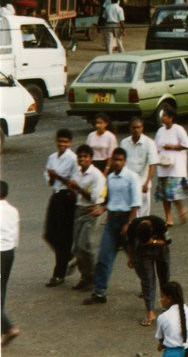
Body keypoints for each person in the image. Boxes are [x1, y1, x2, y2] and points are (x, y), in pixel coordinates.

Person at [85, 148, 141, 305]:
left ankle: (146, 286)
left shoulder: (132, 178)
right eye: (115, 159)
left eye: (120, 160)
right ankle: (99, 292)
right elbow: (110, 201)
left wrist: (129, 224)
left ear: (125, 161)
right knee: (104, 257)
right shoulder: (110, 177)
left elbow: (135, 203)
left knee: (136, 258)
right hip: (112, 221)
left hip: (127, 220)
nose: (116, 162)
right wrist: (101, 209)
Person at [65, 144, 106, 292]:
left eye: (85, 157)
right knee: (78, 246)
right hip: (79, 210)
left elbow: (94, 199)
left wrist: (77, 188)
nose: (82, 159)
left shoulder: (96, 176)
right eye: (80, 157)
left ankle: (93, 277)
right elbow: (74, 193)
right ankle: (85, 277)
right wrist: (71, 189)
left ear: (90, 159)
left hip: (92, 212)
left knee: (85, 245)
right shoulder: (77, 173)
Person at [43, 128, 77, 287]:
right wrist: (51, 176)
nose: (62, 144)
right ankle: (69, 256)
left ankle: (59, 273)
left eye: (65, 142)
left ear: (70, 143)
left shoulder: (73, 159)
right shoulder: (52, 158)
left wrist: (56, 175)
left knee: (63, 236)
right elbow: (50, 182)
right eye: (60, 141)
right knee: (49, 234)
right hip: (55, 195)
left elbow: (72, 184)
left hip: (67, 198)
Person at [154, 106, 188, 226]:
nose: (163, 118)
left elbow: (186, 145)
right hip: (163, 166)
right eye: (162, 115)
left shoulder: (178, 129)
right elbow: (156, 147)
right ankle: (168, 217)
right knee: (164, 194)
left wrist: (172, 147)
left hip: (176, 166)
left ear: (171, 118)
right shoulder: (160, 131)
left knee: (172, 192)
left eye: (165, 115)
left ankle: (180, 208)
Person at [121, 117, 158, 217]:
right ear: (130, 128)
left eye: (139, 127)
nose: (136, 130)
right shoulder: (124, 142)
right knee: (129, 212)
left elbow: (152, 164)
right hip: (128, 182)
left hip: (142, 183)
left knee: (143, 213)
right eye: (134, 127)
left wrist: (147, 182)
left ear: (142, 128)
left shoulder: (150, 143)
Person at [154, 281, 188, 357]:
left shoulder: (163, 317)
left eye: (161, 296)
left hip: (172, 354)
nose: (160, 300)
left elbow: (161, 339)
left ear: (169, 298)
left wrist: (161, 345)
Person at [1, 181, 19, 346]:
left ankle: (9, 328)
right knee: (2, 288)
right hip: (9, 252)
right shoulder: (13, 210)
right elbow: (15, 234)